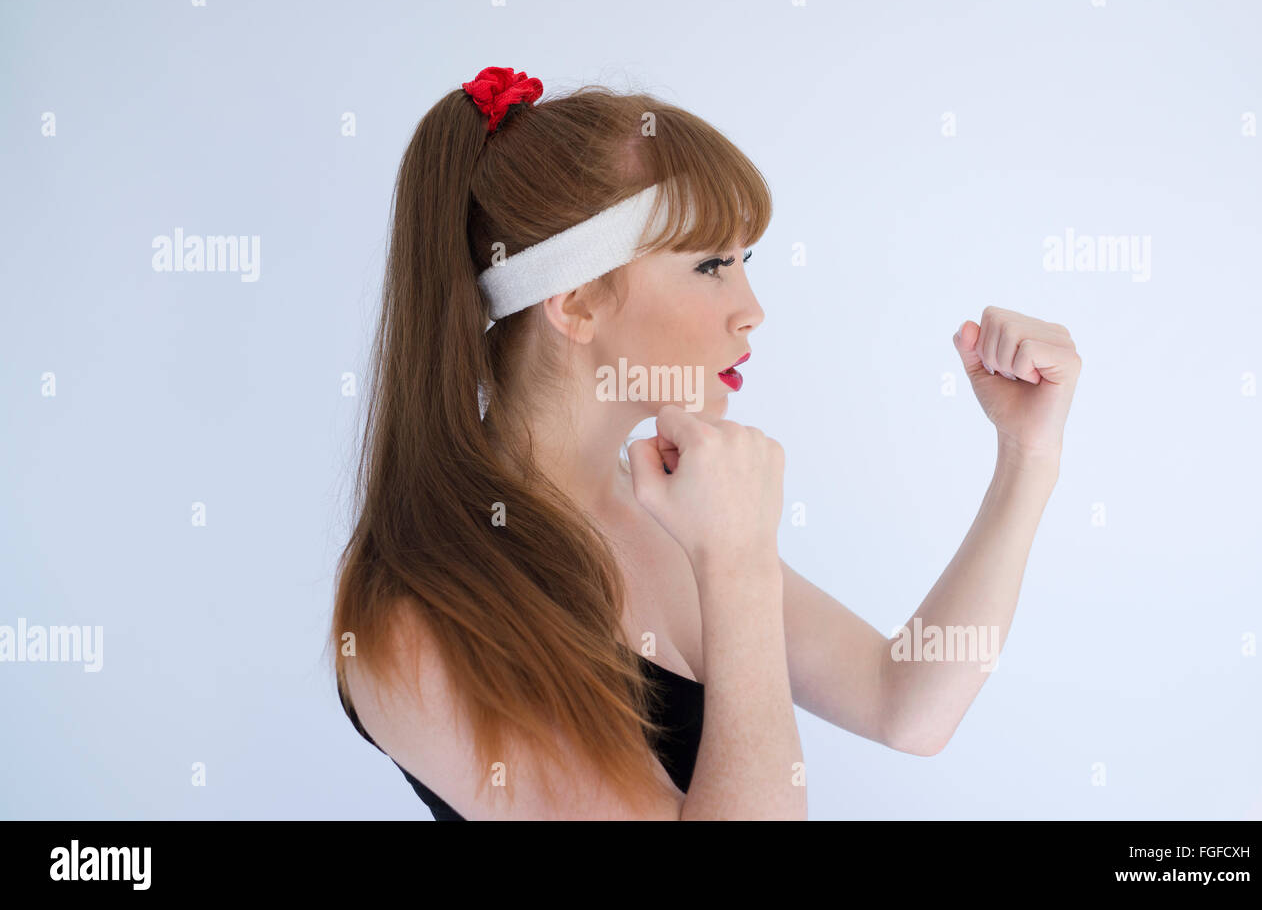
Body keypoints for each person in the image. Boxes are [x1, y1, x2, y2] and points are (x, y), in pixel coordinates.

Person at [329, 66, 1081, 820]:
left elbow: (906, 702)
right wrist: (738, 566)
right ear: (577, 302)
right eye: (711, 266)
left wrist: (1027, 458)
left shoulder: (658, 508)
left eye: (744, 261)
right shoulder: (420, 614)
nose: (752, 311)